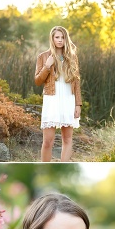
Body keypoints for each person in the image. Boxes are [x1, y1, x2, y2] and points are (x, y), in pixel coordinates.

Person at [35, 26, 82, 162]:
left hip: (68, 99)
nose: (60, 40)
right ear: (52, 38)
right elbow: (38, 81)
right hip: (52, 100)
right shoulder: (43, 57)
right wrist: (47, 66)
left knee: (67, 139)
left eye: (62, 37)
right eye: (57, 37)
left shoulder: (72, 57)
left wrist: (78, 104)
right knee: (48, 141)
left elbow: (76, 82)